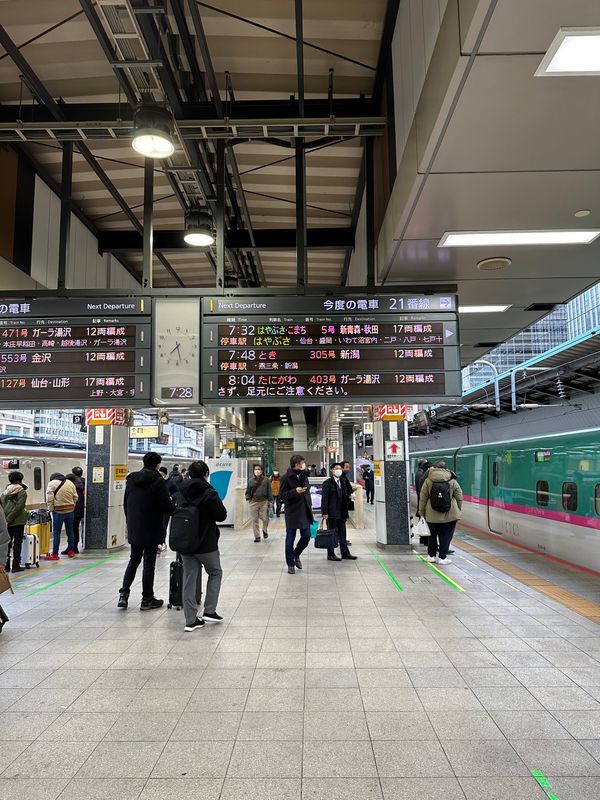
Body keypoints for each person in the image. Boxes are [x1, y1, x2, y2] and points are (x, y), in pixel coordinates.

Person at [118, 452, 173, 610]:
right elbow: (165, 505)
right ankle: (147, 599)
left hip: (135, 526)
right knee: (149, 563)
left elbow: (126, 503)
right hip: (152, 526)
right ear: (157, 464)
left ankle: (124, 595)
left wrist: (130, 522)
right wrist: (174, 509)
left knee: (134, 559)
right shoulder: (158, 480)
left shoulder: (132, 479)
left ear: (143, 462)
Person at [176, 460, 227, 632]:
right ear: (206, 474)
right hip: (206, 543)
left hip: (185, 542)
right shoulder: (209, 492)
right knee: (215, 572)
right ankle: (209, 611)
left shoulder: (181, 490)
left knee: (189, 578)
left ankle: (190, 620)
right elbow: (221, 515)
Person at [418, 460, 463, 566]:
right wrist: (458, 509)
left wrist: (422, 512)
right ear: (446, 468)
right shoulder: (452, 480)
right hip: (450, 514)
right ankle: (443, 557)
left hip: (431, 514)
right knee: (446, 536)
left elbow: (423, 497)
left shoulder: (428, 480)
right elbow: (459, 496)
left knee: (432, 535)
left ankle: (431, 556)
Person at [280, 454, 313, 574]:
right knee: (290, 539)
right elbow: (282, 495)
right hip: (292, 512)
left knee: (307, 536)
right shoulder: (285, 478)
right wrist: (295, 491)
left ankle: (296, 554)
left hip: (304, 510)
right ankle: (290, 563)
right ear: (296, 464)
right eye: (301, 463)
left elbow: (307, 491)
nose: (303, 465)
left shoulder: (304, 475)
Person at [321, 463, 357, 562]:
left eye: (340, 469)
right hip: (332, 513)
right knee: (332, 533)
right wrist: (324, 512)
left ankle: (345, 552)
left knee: (342, 533)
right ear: (332, 470)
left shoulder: (343, 481)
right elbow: (324, 499)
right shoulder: (327, 483)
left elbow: (344, 495)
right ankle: (331, 554)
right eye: (336, 468)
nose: (339, 470)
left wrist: (349, 497)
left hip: (342, 512)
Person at [45, 472, 78, 560]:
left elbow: (49, 498)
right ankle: (71, 551)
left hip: (58, 511)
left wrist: (51, 509)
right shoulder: (70, 483)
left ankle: (55, 554)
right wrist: (72, 506)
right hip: (70, 510)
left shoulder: (52, 484)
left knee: (57, 534)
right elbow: (75, 497)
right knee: (70, 532)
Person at [1, 471, 29, 572]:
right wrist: (9, 519)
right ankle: (16, 565)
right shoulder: (22, 491)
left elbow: (2, 506)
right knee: (17, 543)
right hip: (18, 522)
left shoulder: (5, 491)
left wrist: (6, 520)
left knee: (7, 543)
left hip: (6, 522)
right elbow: (19, 507)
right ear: (20, 480)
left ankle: (6, 565)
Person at [245, 464, 273, 542]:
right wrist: (249, 499)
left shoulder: (266, 480)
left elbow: (269, 491)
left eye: (258, 469)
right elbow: (247, 491)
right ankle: (257, 536)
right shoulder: (250, 481)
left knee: (265, 518)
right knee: (254, 520)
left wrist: (271, 501)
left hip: (264, 501)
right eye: (255, 469)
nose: (257, 471)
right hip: (253, 502)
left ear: (261, 471)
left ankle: (265, 530)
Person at [61, 466, 85, 555]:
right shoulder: (84, 482)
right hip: (82, 508)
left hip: (74, 509)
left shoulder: (72, 485)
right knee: (77, 529)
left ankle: (72, 547)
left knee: (72, 529)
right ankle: (76, 546)